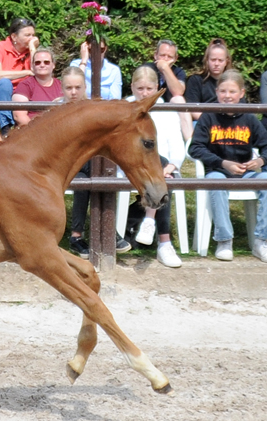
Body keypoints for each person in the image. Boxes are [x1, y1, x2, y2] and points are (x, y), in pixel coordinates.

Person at [188, 70, 267, 263]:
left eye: (232, 91)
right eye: (223, 91)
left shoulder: (249, 118)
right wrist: (222, 163)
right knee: (215, 183)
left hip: (246, 174)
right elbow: (195, 148)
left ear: (241, 93)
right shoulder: (208, 117)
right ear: (216, 92)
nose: (227, 96)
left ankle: (262, 241)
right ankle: (224, 240)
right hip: (218, 172)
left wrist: (259, 161)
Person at [61, 67, 130, 258]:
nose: (73, 92)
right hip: (63, 164)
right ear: (62, 89)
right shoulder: (57, 112)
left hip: (83, 166)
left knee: (87, 178)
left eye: (77, 87)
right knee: (97, 170)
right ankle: (110, 231)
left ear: (85, 87)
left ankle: (77, 236)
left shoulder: (91, 110)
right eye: (69, 88)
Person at [126, 67, 185, 268]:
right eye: (140, 88)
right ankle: (162, 238)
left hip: (162, 169)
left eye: (149, 88)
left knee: (163, 177)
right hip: (131, 168)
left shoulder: (167, 111)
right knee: (154, 162)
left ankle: (161, 239)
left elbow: (178, 147)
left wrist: (171, 167)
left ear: (157, 88)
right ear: (132, 87)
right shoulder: (124, 108)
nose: (144, 93)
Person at [0, 17, 40, 135]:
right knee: (5, 83)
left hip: (21, 100)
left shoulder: (31, 51)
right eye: (27, 35)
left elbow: (38, 72)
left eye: (33, 35)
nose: (32, 38)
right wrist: (26, 72)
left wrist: (32, 47)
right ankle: (7, 128)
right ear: (14, 37)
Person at [143, 39, 194, 141]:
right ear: (155, 55)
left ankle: (190, 142)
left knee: (179, 99)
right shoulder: (147, 69)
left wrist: (165, 68)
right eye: (162, 55)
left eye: (169, 56)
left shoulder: (179, 72)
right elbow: (144, 93)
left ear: (175, 59)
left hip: (170, 111)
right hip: (149, 107)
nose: (165, 59)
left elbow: (178, 92)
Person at [185, 38, 243, 122]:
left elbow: (241, 107)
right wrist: (212, 122)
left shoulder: (234, 81)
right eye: (213, 60)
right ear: (207, 60)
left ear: (226, 61)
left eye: (220, 60)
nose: (216, 64)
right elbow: (193, 109)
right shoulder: (196, 80)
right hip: (203, 121)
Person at [12, 47, 62, 127]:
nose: (42, 65)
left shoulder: (62, 85)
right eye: (38, 63)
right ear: (32, 66)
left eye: (46, 62)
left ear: (53, 65)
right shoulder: (24, 86)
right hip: (33, 131)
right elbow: (19, 116)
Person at [69, 35, 122, 100]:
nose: (96, 53)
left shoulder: (113, 70)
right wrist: (84, 60)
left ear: (105, 49)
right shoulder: (76, 64)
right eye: (91, 50)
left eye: (101, 49)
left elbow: (116, 98)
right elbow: (75, 84)